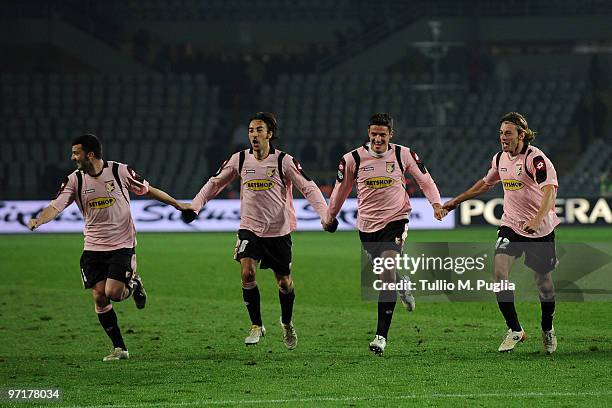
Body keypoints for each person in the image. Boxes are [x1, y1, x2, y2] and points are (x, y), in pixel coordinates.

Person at [28, 134, 184, 361]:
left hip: (122, 244)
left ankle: (134, 283)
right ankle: (120, 348)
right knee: (100, 297)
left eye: (76, 153)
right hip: (92, 247)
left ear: (89, 154)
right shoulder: (75, 180)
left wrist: (177, 204)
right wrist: (39, 220)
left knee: (114, 293)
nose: (73, 158)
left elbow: (148, 190)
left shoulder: (119, 171)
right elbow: (56, 206)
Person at [182, 112, 328, 349]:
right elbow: (215, 183)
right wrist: (195, 206)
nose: (254, 135)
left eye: (259, 130)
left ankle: (287, 322)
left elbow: (309, 188)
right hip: (249, 228)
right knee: (247, 273)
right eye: (251, 130)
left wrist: (325, 215)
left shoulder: (284, 161)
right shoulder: (239, 159)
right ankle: (256, 325)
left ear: (270, 134)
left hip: (279, 232)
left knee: (284, 283)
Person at [323, 113, 446, 355]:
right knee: (387, 273)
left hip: (396, 220)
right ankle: (402, 282)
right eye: (374, 134)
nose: (378, 139)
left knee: (386, 274)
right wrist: (329, 217)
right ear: (368, 134)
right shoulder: (353, 159)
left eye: (382, 134)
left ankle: (380, 336)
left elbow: (426, 181)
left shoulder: (403, 154)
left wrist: (436, 204)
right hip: (367, 227)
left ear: (391, 134)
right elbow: (340, 190)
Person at [442, 112, 559, 354]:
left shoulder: (536, 159)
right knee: (499, 272)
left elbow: (549, 191)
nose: (503, 138)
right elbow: (486, 183)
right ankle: (515, 329)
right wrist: (456, 201)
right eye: (501, 133)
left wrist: (537, 220)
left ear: (522, 135)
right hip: (512, 225)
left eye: (508, 133)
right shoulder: (500, 159)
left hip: (540, 230)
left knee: (544, 284)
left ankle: (547, 328)